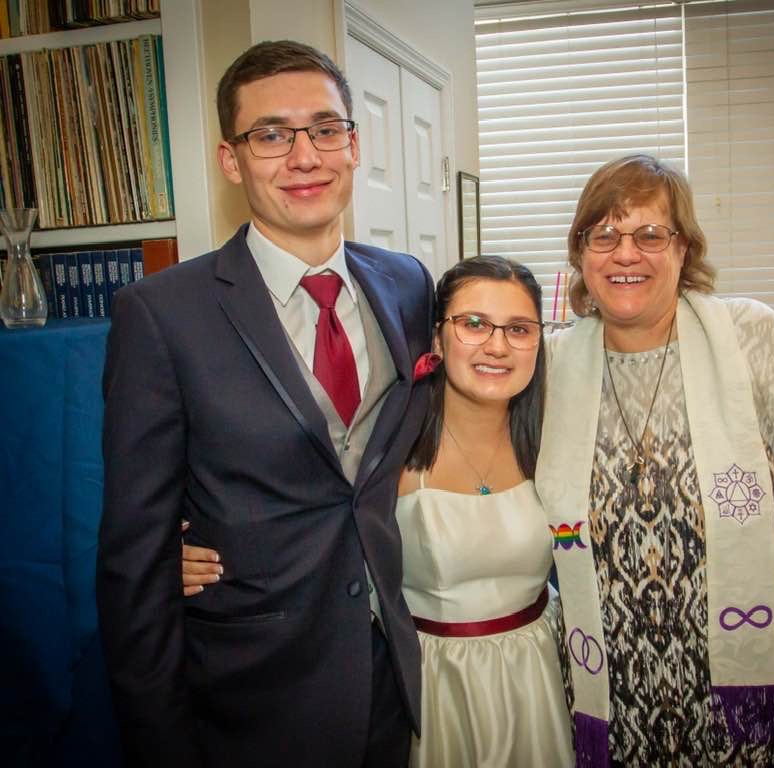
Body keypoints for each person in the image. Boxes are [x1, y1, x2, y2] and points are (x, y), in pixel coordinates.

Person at [96, 41, 434, 768]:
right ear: (232, 159)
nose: (305, 156)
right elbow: (133, 562)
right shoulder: (160, 313)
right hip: (249, 699)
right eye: (272, 135)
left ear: (354, 145)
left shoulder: (408, 284)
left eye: (325, 129)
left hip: (389, 679)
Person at [536, 154, 774, 766]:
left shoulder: (754, 337)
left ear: (684, 248)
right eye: (605, 235)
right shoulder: (548, 367)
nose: (626, 254)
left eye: (651, 234)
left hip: (771, 701)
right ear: (580, 252)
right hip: (620, 713)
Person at [185, 255, 575, 767]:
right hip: (430, 686)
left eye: (519, 329)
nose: (497, 346)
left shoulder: (557, 435)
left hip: (538, 675)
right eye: (474, 324)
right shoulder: (387, 444)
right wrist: (179, 548)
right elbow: (284, 508)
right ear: (437, 339)